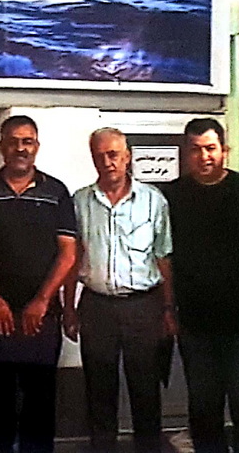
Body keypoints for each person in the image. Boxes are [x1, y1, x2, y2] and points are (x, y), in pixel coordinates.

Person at [0, 116, 78, 453]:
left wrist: (42, 300)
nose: (20, 148)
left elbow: (68, 253)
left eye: (27, 141)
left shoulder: (56, 192)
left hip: (41, 317)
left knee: (40, 405)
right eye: (13, 141)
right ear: (2, 146)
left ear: (37, 147)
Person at [159, 118, 239, 453]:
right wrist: (169, 308)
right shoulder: (171, 196)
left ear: (225, 150)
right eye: (195, 149)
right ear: (185, 153)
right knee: (204, 409)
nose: (204, 156)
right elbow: (164, 259)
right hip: (195, 322)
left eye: (210, 148)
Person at [66, 127, 175, 453]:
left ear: (127, 157)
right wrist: (69, 308)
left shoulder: (153, 200)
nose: (107, 162)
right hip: (97, 307)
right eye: (99, 156)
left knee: (146, 391)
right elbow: (72, 258)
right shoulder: (80, 201)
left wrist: (169, 309)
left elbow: (163, 257)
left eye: (113, 154)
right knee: (99, 392)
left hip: (144, 306)